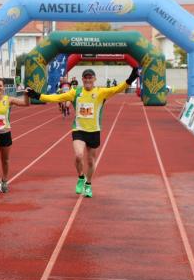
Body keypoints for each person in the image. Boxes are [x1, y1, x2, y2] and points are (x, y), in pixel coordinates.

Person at [26, 67, 139, 198]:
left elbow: (118, 88)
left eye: (90, 77)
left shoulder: (101, 92)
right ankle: (81, 177)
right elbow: (56, 97)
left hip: (94, 131)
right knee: (79, 155)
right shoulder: (75, 92)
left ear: (95, 79)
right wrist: (36, 95)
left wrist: (131, 77)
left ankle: (88, 184)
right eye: (85, 77)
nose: (88, 79)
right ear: (82, 79)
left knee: (90, 161)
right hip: (79, 130)